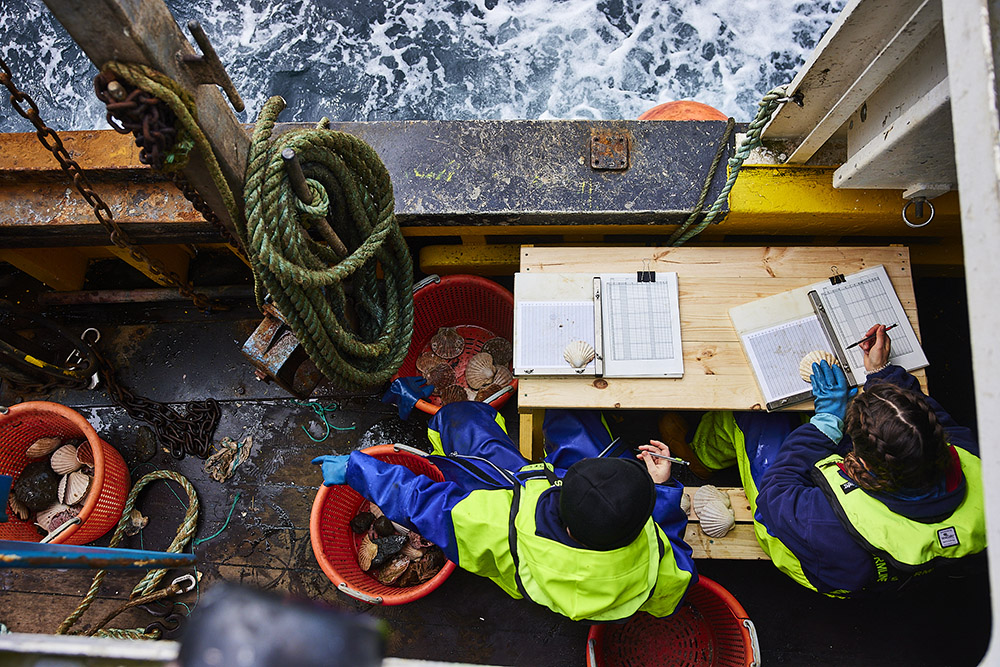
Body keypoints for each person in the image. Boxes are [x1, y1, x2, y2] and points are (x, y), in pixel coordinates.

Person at [670, 324, 985, 596]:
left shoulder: (824, 521)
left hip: (810, 552)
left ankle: (698, 459)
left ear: (860, 466)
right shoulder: (974, 464)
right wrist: (881, 374)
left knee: (757, 421)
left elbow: (776, 492)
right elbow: (932, 421)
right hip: (900, 558)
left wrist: (827, 421)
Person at [313, 402, 696, 621]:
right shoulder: (657, 561)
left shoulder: (495, 523)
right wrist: (662, 488)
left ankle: (443, 440)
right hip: (579, 580)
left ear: (560, 489)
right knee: (571, 417)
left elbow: (422, 502)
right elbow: (673, 571)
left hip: (517, 511)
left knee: (459, 421)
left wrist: (358, 470)